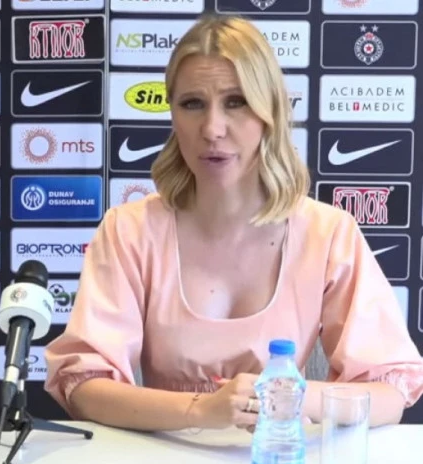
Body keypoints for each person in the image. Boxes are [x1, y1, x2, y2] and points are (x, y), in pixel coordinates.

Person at [43, 14, 423, 432]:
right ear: (173, 115)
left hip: (278, 460)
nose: (212, 129)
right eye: (192, 104)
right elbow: (83, 386)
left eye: (236, 102)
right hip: (158, 460)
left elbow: (389, 394)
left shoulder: (328, 233)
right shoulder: (129, 230)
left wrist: (288, 397)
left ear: (269, 111)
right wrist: (199, 410)